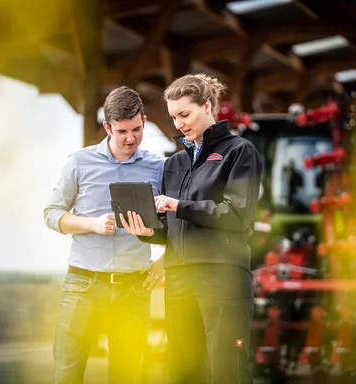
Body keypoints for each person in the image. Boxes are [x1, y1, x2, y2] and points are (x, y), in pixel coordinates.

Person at [121, 74, 263, 384]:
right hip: (180, 278)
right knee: (184, 371)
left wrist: (177, 205)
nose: (179, 123)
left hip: (222, 277)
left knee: (228, 370)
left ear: (208, 106)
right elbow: (173, 228)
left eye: (185, 114)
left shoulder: (239, 152)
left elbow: (237, 214)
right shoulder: (174, 164)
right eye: (174, 117)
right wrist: (148, 231)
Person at [43, 86, 165, 384]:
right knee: (68, 373)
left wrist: (164, 262)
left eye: (137, 129)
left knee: (127, 375)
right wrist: (92, 225)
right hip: (83, 285)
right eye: (122, 131)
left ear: (145, 121)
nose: (131, 138)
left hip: (134, 289)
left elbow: (178, 226)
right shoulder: (79, 162)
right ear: (107, 127)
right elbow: (52, 214)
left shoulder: (159, 167)